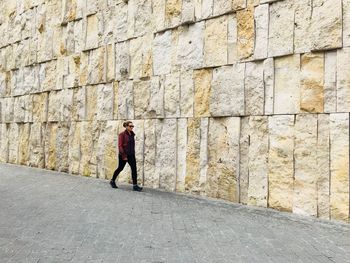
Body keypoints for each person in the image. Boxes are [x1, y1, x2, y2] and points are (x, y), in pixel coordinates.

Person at [110, 121, 143, 191]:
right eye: (130, 126)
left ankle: (135, 185)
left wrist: (133, 153)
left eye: (132, 126)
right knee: (120, 168)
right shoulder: (122, 135)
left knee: (134, 169)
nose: (132, 127)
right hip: (123, 155)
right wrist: (124, 156)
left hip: (131, 155)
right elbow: (120, 146)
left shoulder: (132, 134)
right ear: (126, 127)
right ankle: (112, 181)